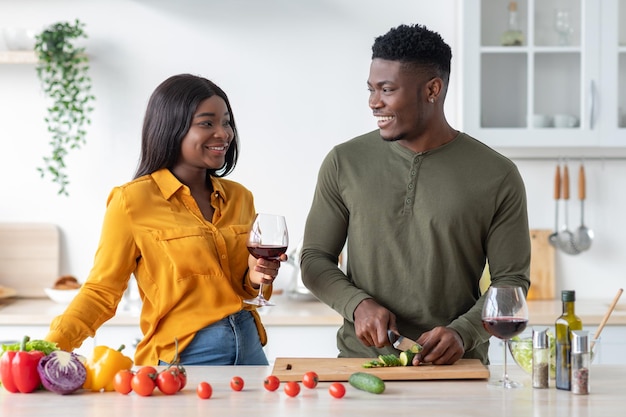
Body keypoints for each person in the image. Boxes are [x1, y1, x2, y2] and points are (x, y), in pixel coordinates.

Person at [300, 24, 530, 365]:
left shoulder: (497, 174)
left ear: (432, 89)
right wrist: (357, 305)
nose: (374, 102)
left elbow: (511, 282)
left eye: (387, 90)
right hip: (362, 363)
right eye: (371, 90)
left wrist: (463, 331)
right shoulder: (344, 162)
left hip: (458, 367)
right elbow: (314, 259)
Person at [46, 74, 286, 366]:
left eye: (226, 122)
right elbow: (101, 291)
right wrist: (47, 349)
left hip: (250, 350)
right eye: (207, 123)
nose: (223, 133)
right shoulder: (132, 201)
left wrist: (257, 276)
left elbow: (243, 287)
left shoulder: (240, 197)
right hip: (184, 357)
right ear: (172, 128)